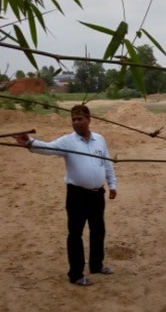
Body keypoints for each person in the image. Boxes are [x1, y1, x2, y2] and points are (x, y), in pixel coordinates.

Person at [13, 105, 117, 286]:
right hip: (77, 194)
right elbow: (48, 148)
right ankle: (76, 274)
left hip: (97, 194)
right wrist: (29, 142)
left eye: (80, 119)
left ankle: (96, 265)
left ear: (89, 119)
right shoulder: (68, 141)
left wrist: (112, 184)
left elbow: (107, 163)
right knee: (75, 233)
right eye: (73, 120)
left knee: (98, 229)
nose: (76, 122)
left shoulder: (99, 139)